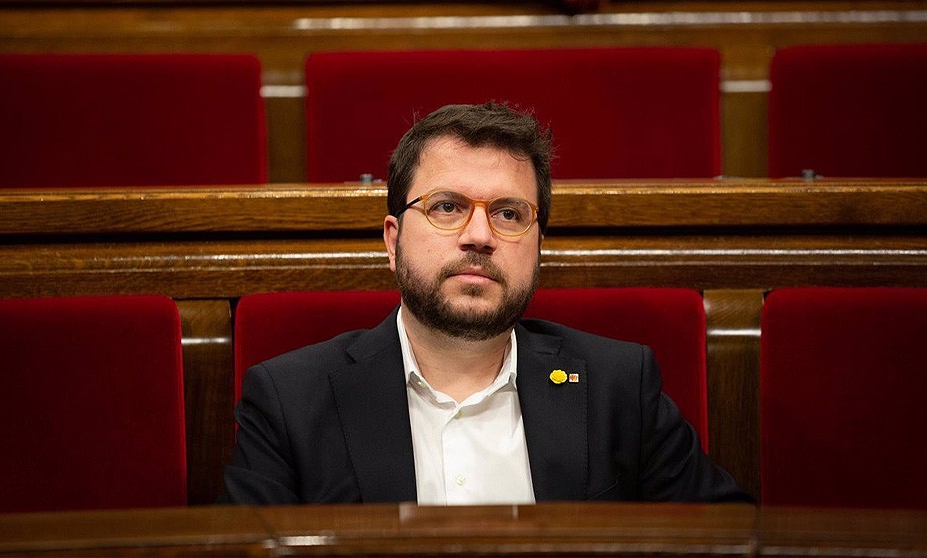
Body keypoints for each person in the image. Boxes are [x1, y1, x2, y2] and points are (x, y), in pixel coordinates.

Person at [223, 102, 749, 505]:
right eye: (446, 207)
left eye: (509, 214)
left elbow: (724, 535)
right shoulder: (289, 401)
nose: (479, 236)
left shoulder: (619, 387)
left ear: (538, 245)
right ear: (392, 241)